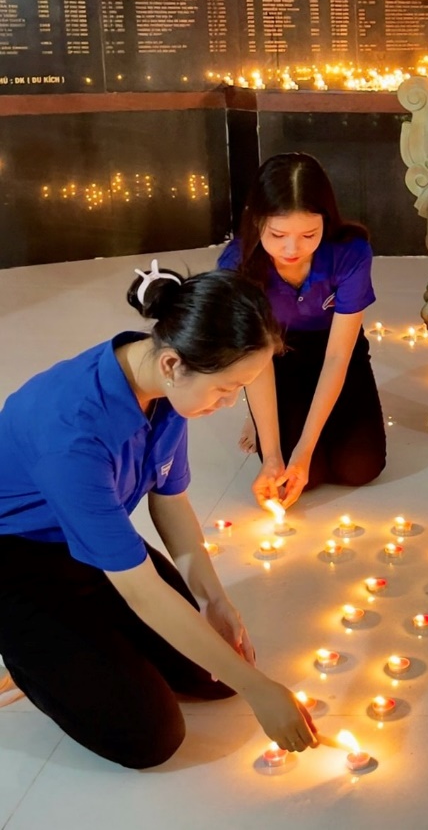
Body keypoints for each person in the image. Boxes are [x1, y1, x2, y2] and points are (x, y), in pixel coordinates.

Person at [0, 263, 317, 769]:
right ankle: (29, 654)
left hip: (92, 546)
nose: (230, 401)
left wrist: (215, 602)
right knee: (149, 737)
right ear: (173, 364)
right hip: (18, 563)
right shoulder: (72, 433)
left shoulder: (161, 387)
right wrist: (260, 690)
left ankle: (85, 639)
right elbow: (142, 589)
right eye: (225, 388)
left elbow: (169, 500)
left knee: (211, 679)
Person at [220, 152, 385, 507]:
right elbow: (256, 359)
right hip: (274, 357)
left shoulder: (350, 253)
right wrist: (274, 457)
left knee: (361, 468)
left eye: (308, 234)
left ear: (325, 221)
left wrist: (304, 451)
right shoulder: (237, 265)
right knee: (298, 479)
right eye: (278, 235)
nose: (292, 249)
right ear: (256, 220)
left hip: (336, 353)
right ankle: (259, 417)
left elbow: (339, 355)